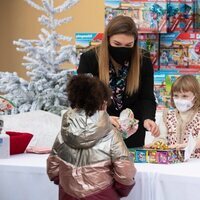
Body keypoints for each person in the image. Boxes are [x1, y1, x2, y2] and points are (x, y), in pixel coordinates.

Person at [47, 74, 136, 200]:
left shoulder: (63, 134)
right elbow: (125, 171)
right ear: (103, 103)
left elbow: (53, 168)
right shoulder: (111, 133)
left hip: (68, 194)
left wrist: (65, 183)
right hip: (103, 194)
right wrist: (121, 190)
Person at [78, 15, 159, 148]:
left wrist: (148, 118)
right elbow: (81, 101)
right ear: (107, 40)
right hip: (98, 134)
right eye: (117, 44)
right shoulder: (90, 59)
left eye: (128, 45)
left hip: (132, 135)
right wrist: (102, 118)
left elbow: (147, 97)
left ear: (135, 42)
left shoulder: (143, 60)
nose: (122, 49)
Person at [151, 75, 200, 158]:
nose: (179, 99)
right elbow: (161, 138)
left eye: (184, 96)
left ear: (196, 97)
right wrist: (156, 144)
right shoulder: (167, 116)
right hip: (172, 163)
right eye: (176, 96)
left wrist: (186, 146)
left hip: (195, 163)